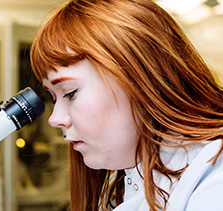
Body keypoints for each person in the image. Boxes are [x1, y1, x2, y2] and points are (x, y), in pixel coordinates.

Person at [30, 0, 223, 210]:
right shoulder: (121, 185)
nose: (55, 119)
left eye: (70, 93)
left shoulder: (213, 175)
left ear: (141, 78)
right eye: (54, 97)